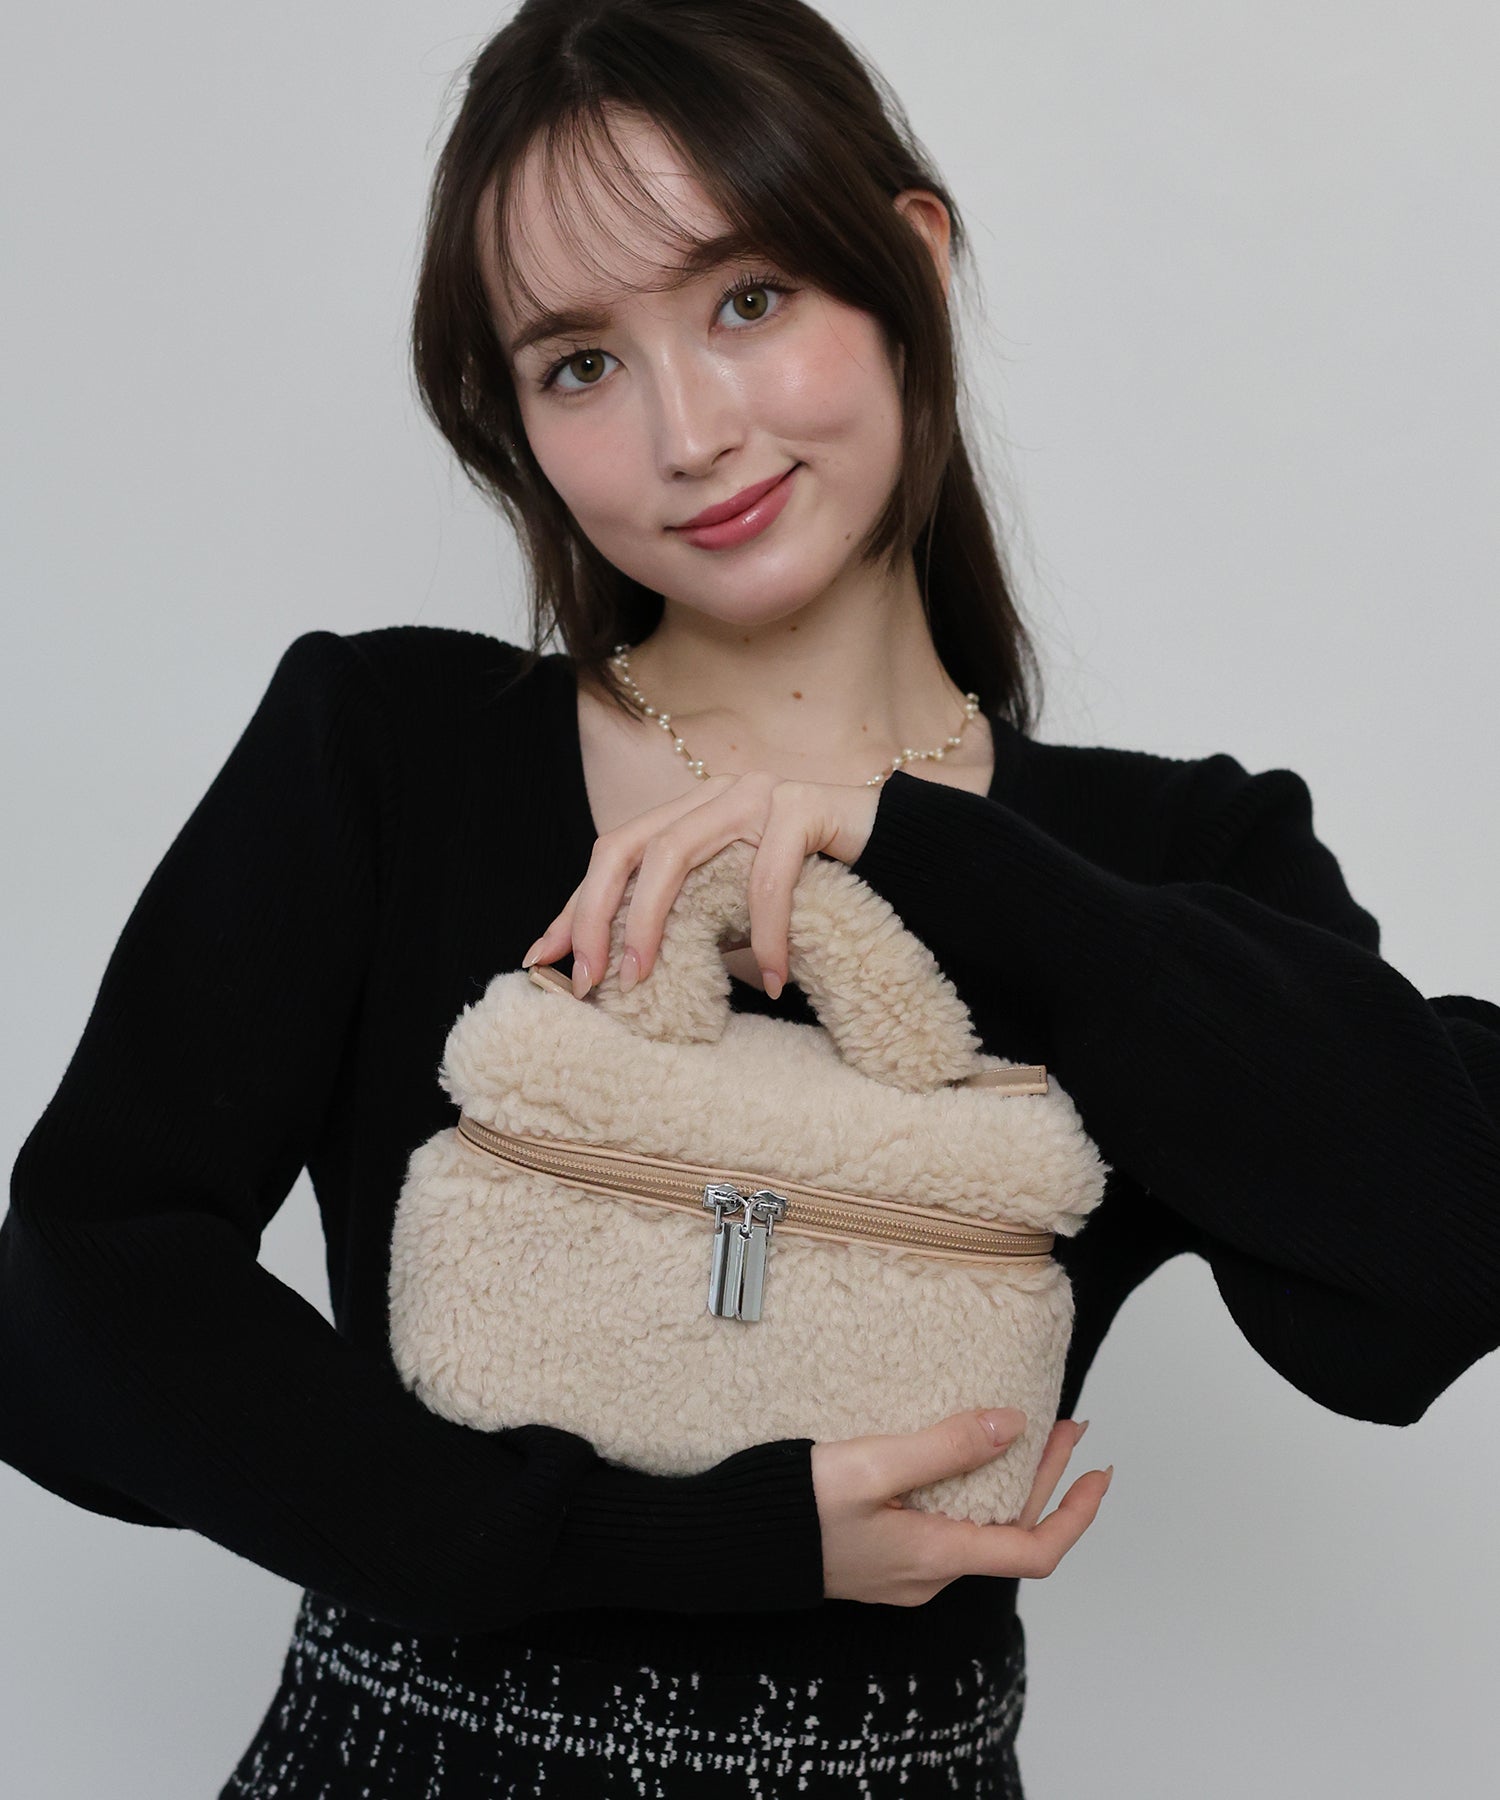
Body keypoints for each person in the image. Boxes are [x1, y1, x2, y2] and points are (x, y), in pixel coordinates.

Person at [3, 0, 1497, 1794]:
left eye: (748, 299)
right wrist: (681, 1544)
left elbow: (1430, 1269)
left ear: (912, 264)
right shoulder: (391, 750)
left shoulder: (1165, 857)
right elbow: (76, 1306)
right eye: (578, 363)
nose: (688, 432)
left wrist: (935, 853)